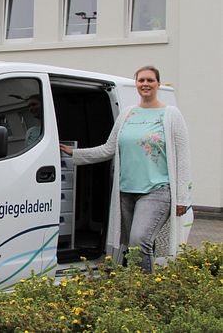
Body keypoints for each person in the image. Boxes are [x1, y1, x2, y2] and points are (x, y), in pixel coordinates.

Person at [59, 65, 192, 274]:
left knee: (139, 241)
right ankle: (137, 285)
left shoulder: (170, 115)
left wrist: (183, 198)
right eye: (141, 80)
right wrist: (74, 154)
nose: (145, 84)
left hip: (157, 190)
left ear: (158, 84)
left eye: (150, 80)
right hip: (127, 191)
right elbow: (108, 149)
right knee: (131, 244)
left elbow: (182, 157)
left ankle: (143, 289)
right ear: (136, 84)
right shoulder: (127, 114)